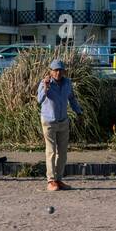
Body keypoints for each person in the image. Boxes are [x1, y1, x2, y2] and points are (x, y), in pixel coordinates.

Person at [37, 58, 82, 192]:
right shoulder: (45, 83)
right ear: (50, 72)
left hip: (63, 121)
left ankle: (58, 179)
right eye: (55, 70)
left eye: (60, 70)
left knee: (62, 153)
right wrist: (45, 87)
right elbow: (39, 100)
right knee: (51, 151)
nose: (58, 73)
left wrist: (79, 112)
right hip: (49, 121)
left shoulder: (67, 83)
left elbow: (72, 99)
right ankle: (50, 181)